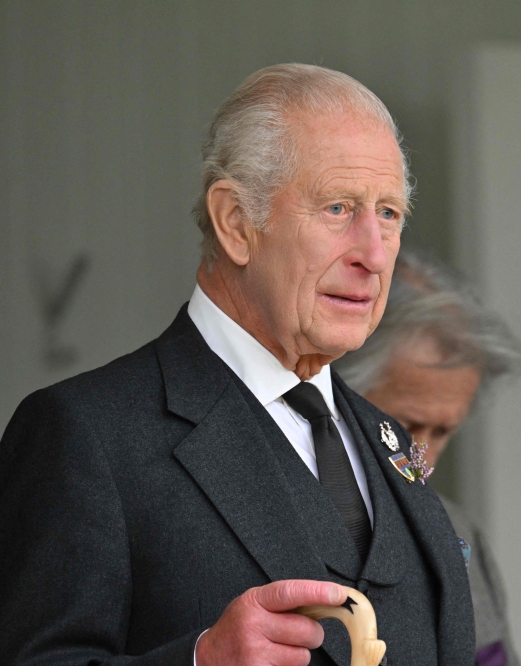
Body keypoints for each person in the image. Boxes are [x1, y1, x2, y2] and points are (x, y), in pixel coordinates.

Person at [0, 64, 474, 666]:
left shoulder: (389, 440)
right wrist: (200, 660)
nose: (375, 255)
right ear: (235, 222)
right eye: (337, 207)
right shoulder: (86, 433)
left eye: (389, 213)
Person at [332, 248, 521, 666]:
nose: (421, 456)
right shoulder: (271, 515)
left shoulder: (457, 532)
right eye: (404, 425)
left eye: (442, 431)